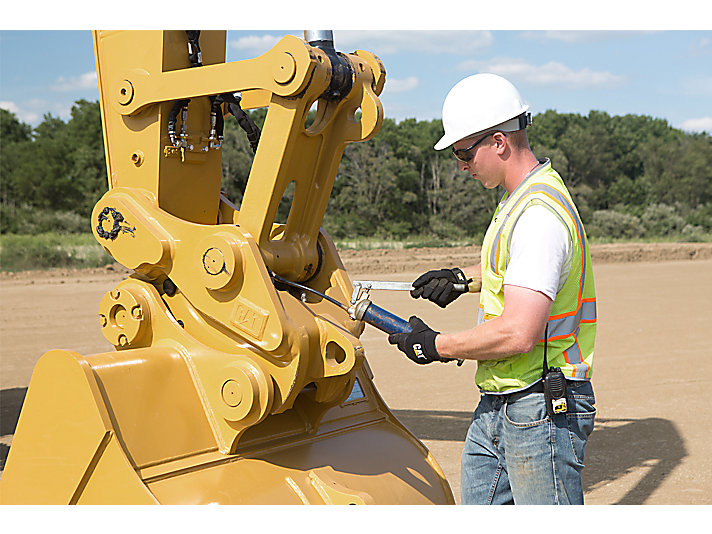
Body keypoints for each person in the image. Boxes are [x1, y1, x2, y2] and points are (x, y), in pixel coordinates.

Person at [388, 73, 597, 505]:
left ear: (500, 142)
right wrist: (463, 279)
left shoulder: (538, 215)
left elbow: (518, 331)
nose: (462, 165)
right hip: (501, 402)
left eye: (465, 152)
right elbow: (519, 272)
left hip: (539, 407)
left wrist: (436, 345)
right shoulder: (517, 200)